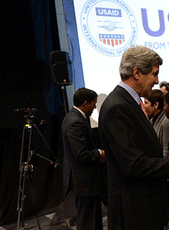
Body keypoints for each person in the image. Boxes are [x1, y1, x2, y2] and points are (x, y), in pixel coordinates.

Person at [98, 46, 169, 230]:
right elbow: (133, 164)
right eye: (154, 74)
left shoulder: (127, 102)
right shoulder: (118, 107)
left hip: (143, 210)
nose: (157, 81)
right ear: (137, 73)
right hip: (134, 214)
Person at [61, 87, 106, 230]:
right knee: (88, 220)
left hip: (84, 181)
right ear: (85, 103)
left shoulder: (73, 117)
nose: (94, 107)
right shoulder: (75, 122)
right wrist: (99, 153)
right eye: (93, 103)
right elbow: (81, 154)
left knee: (90, 217)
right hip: (85, 181)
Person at [144, 89, 169, 160]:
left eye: (146, 103)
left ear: (156, 104)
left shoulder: (167, 121)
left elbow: (166, 152)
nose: (144, 106)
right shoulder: (151, 121)